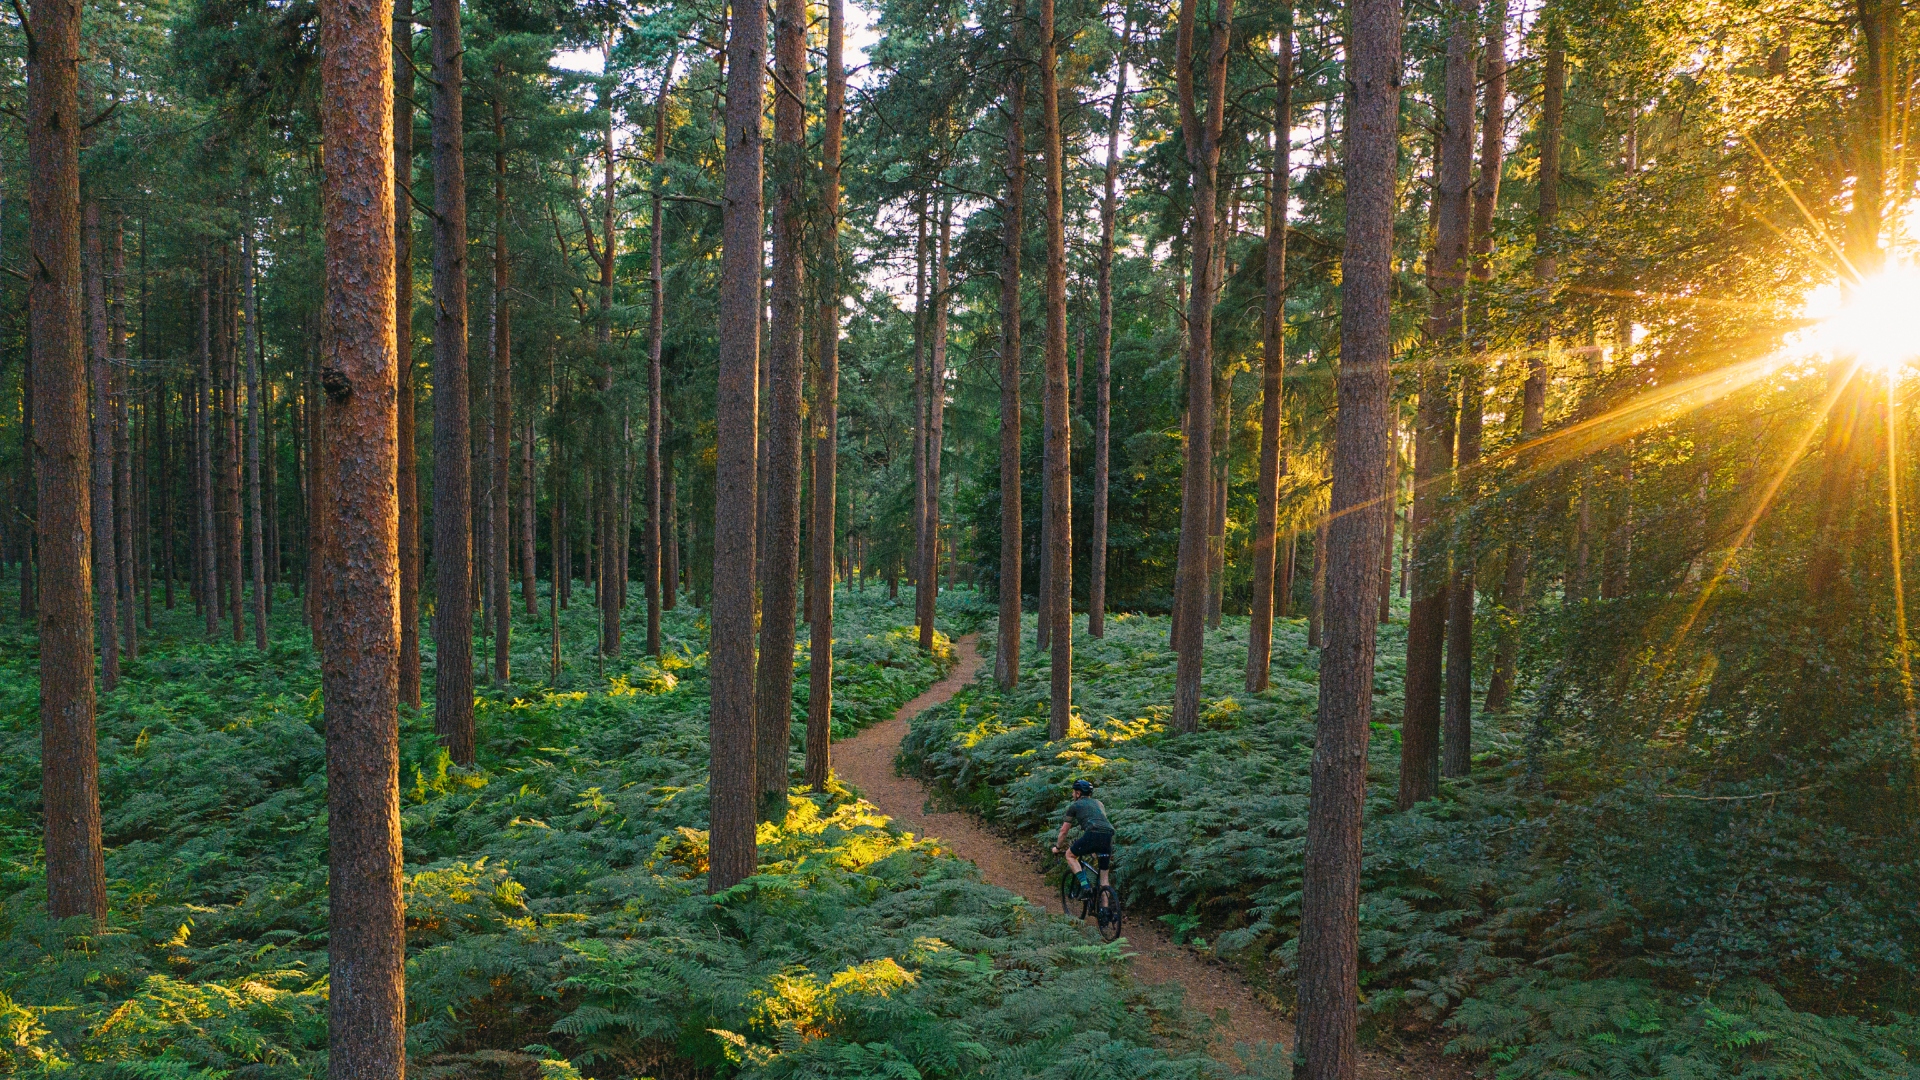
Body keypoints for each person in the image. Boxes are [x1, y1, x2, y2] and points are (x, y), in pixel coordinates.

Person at [1051, 779, 1114, 899]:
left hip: (1092, 833)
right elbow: (1101, 823)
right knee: (1104, 880)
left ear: (1078, 793)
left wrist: (1057, 848)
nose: (1072, 794)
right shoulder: (1099, 804)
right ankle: (1105, 911)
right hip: (1108, 835)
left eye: (1074, 792)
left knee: (1070, 855)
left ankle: (1085, 886)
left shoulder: (1074, 806)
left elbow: (1064, 831)